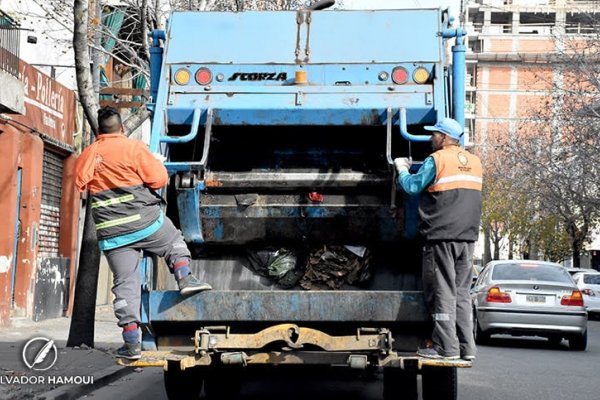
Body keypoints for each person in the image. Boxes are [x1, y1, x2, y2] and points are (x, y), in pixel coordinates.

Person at [74, 106, 212, 360]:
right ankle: (185, 279)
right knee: (173, 240)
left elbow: (79, 181)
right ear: (122, 128)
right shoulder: (133, 148)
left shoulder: (91, 153)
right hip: (144, 223)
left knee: (125, 283)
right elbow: (159, 180)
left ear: (99, 132)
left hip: (113, 233)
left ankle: (132, 344)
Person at [394, 117, 482, 361]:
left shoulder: (438, 159)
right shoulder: (474, 162)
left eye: (434, 134)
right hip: (467, 237)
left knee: (443, 290)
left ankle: (446, 348)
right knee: (462, 292)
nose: (431, 138)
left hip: (442, 235)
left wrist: (402, 168)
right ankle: (467, 348)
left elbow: (412, 187)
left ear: (444, 138)